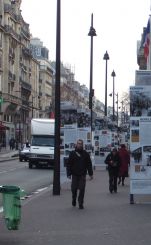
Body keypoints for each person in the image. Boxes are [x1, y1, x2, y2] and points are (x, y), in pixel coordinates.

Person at [67, 139, 93, 209]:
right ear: (76, 144)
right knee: (74, 189)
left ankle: (80, 203)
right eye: (78, 143)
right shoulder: (72, 153)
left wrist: (91, 174)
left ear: (82, 145)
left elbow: (89, 164)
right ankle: (74, 198)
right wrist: (69, 174)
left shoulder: (85, 154)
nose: (80, 145)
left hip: (82, 175)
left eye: (81, 144)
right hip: (74, 174)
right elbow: (69, 164)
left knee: (82, 189)